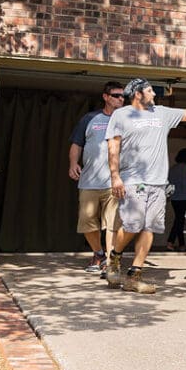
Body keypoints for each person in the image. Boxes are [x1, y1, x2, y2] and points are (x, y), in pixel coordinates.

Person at [105, 79, 186, 293]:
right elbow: (113, 146)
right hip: (133, 179)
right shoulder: (121, 115)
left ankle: (133, 276)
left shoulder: (161, 112)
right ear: (137, 94)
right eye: (148, 90)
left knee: (149, 227)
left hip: (158, 182)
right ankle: (115, 257)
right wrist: (115, 176)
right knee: (131, 226)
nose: (153, 93)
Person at [68, 81, 125, 275]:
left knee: (112, 224)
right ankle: (98, 253)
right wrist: (73, 163)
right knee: (86, 222)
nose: (120, 99)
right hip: (89, 181)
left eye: (122, 96)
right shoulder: (89, 119)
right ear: (106, 97)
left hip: (115, 183)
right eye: (116, 95)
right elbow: (77, 144)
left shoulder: (126, 120)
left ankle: (109, 262)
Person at [166, 148, 186, 252]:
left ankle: (178, 243)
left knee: (179, 220)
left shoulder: (173, 169)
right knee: (180, 221)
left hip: (175, 198)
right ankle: (172, 242)